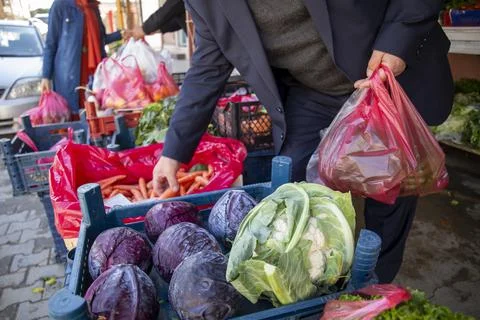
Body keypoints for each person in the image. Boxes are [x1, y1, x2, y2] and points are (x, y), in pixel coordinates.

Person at [153, 1, 454, 283]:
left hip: (384, 81)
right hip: (314, 91)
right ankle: (312, 286)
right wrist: (172, 154)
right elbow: (208, 66)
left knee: (389, 189)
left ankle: (374, 287)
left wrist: (398, 40)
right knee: (293, 191)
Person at [41, 0, 125, 117]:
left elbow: (101, 39)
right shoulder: (60, 5)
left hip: (94, 73)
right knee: (75, 117)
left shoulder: (93, 7)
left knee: (98, 114)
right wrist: (46, 76)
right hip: (70, 74)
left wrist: (122, 34)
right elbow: (51, 43)